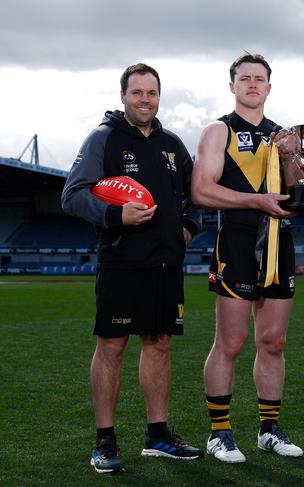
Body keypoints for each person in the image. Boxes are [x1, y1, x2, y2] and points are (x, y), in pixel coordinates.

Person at [61, 63, 203, 474]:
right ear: (123, 95)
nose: (145, 99)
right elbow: (73, 195)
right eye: (137, 92)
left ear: (160, 97)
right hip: (122, 261)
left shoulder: (173, 145)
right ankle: (104, 441)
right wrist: (115, 216)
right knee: (112, 346)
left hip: (166, 263)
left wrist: (190, 227)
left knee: (158, 344)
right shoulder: (102, 140)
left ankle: (157, 435)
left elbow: (196, 194)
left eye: (152, 93)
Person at [191, 53, 304, 464]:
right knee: (232, 341)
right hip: (237, 240)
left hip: (280, 239)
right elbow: (202, 190)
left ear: (269, 88)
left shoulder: (284, 134)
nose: (253, 84)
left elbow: (294, 192)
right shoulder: (218, 131)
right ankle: (219, 433)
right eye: (245, 78)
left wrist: (292, 158)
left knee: (273, 341)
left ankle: (269, 429)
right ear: (233, 86)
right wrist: (256, 200)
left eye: (260, 79)